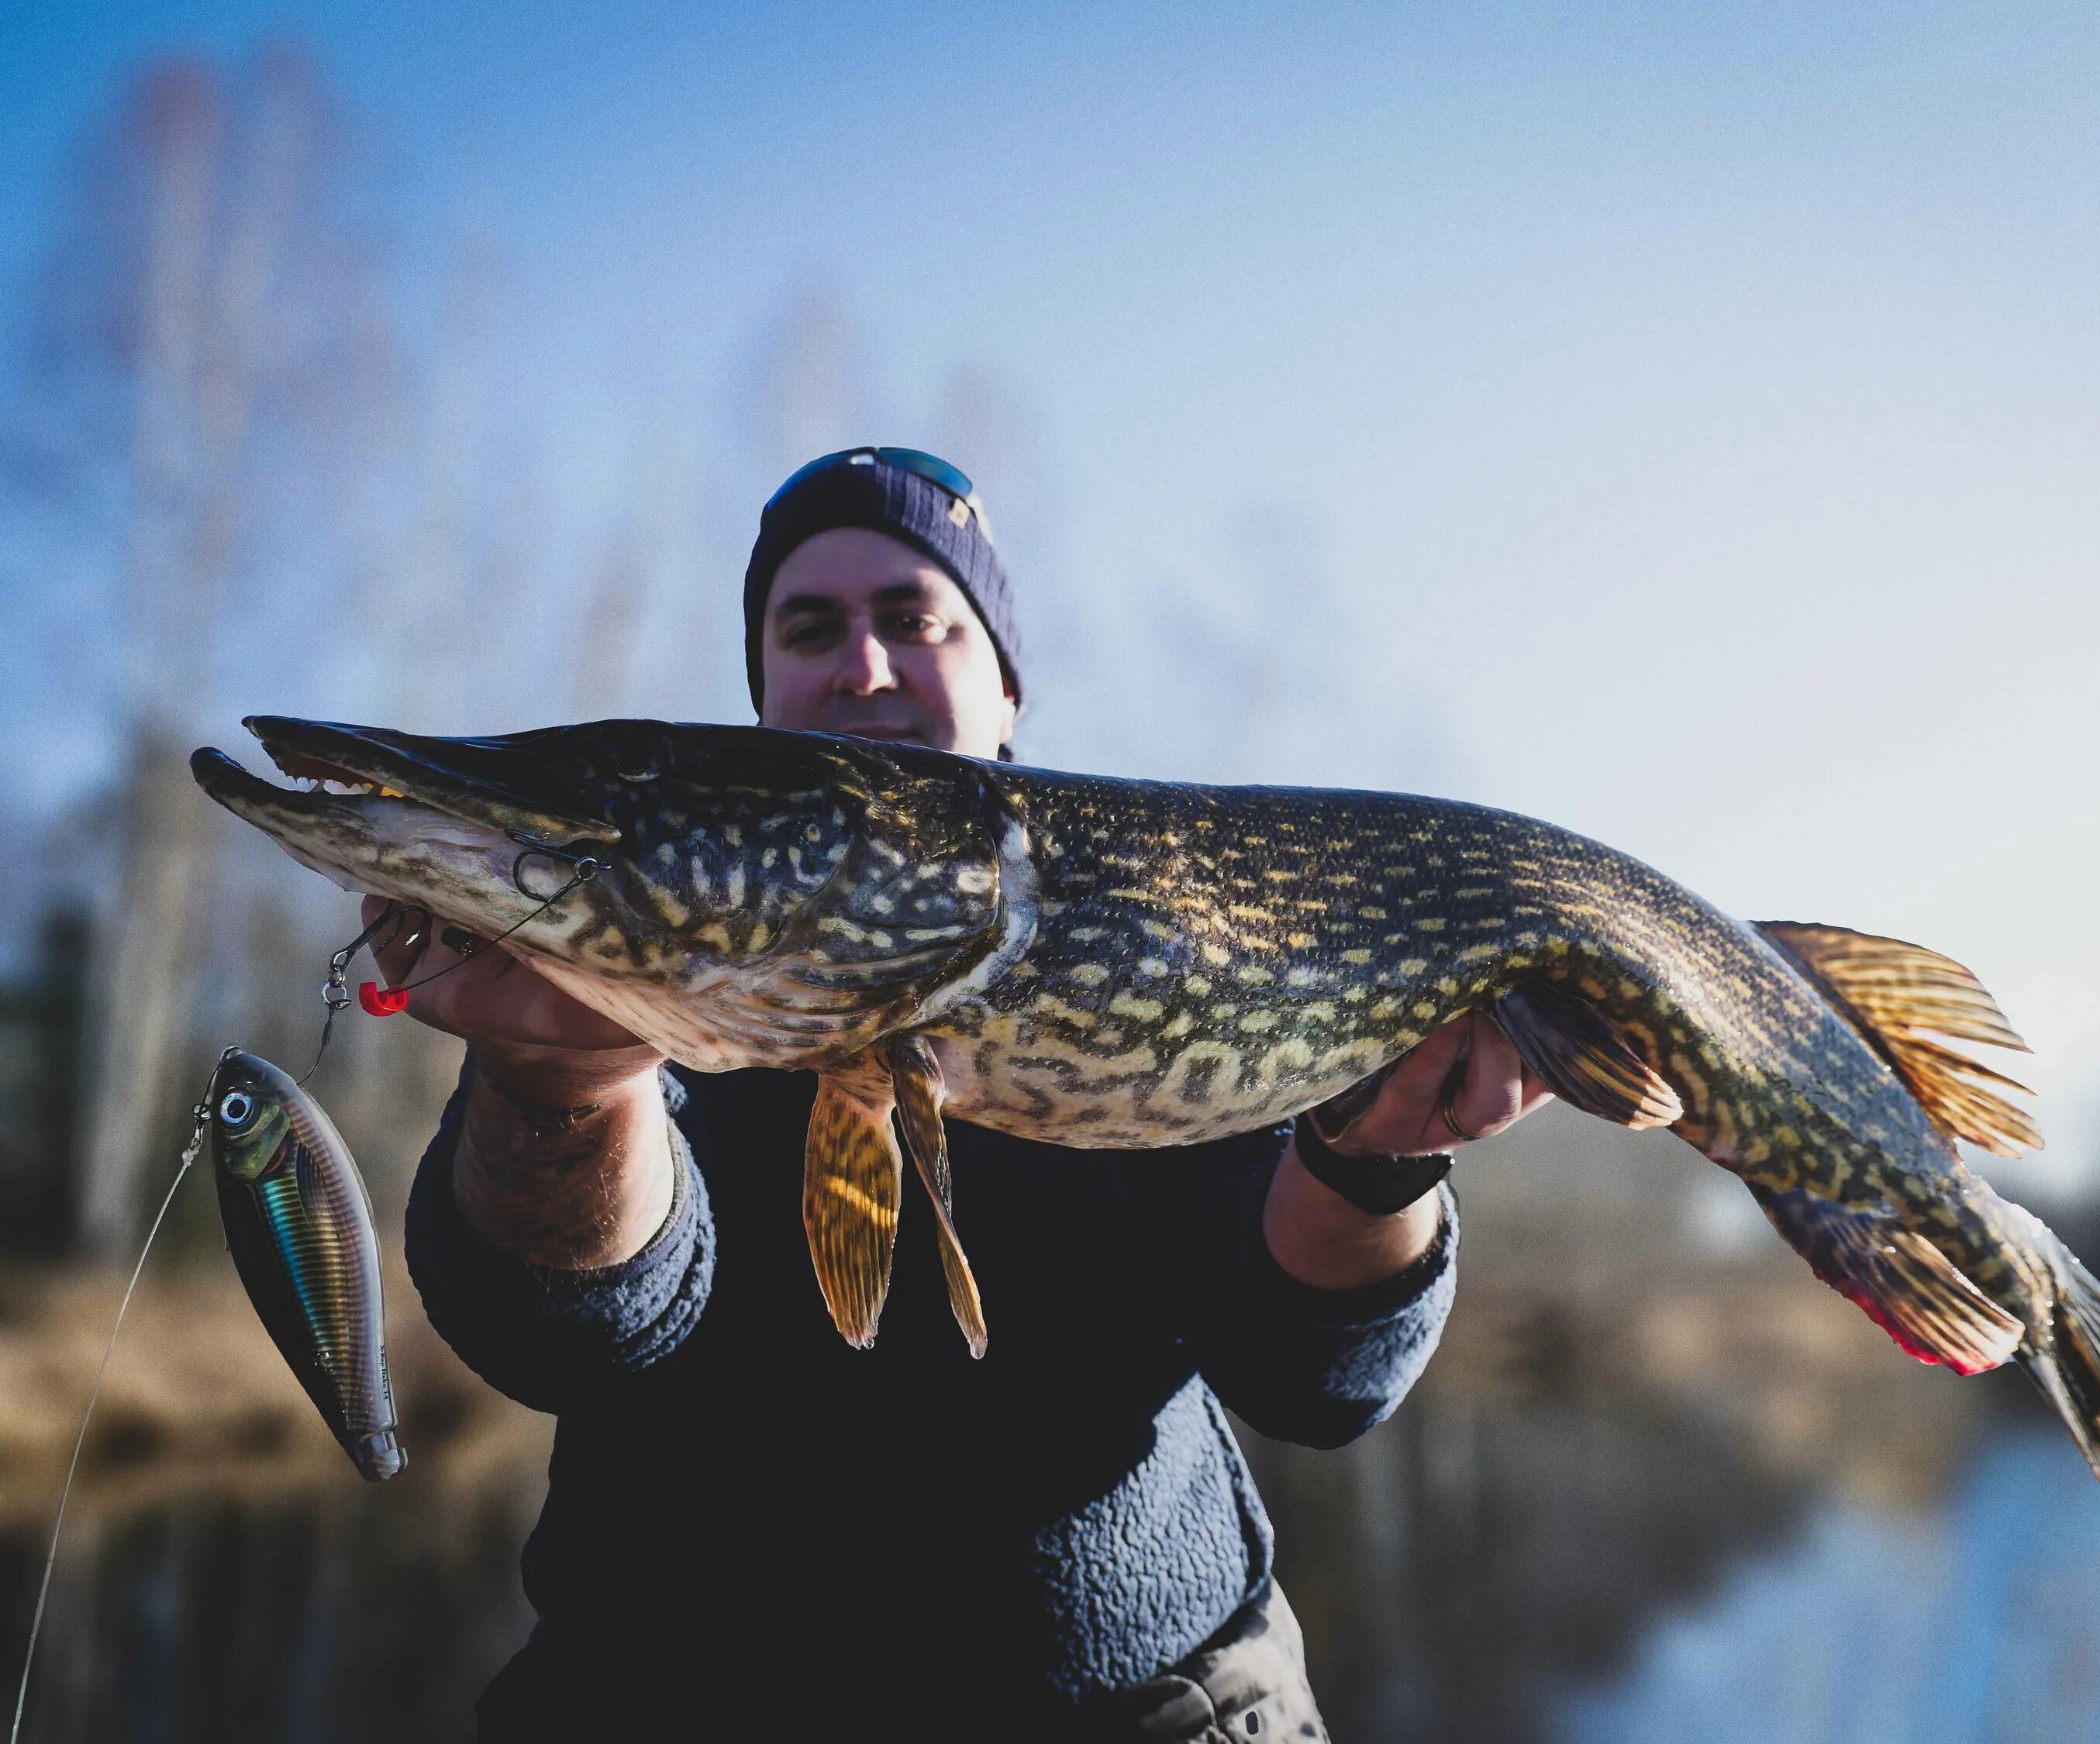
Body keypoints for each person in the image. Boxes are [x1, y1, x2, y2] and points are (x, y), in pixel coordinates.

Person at [374, 447, 1552, 1739]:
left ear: (1006, 685)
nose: (862, 663)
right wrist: (564, 1078)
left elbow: (1314, 1376)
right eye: (810, 626)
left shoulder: (1172, 927)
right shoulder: (676, 966)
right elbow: (555, 1332)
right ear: (762, 693)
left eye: (915, 619)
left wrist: (1374, 1159)